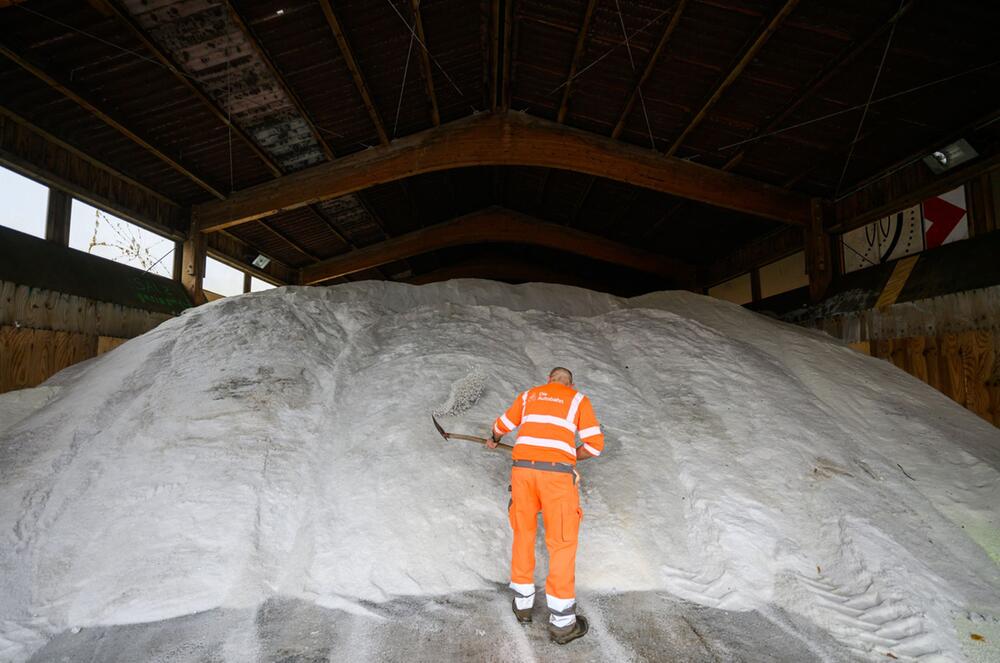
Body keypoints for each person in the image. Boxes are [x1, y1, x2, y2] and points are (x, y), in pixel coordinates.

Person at [487, 366, 604, 645]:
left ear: (549, 380)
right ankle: (563, 625)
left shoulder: (529, 396)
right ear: (570, 384)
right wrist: (571, 456)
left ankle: (523, 605)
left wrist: (494, 439)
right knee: (562, 543)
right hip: (557, 477)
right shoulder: (578, 400)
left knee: (523, 534)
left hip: (523, 473)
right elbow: (595, 445)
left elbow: (500, 425)